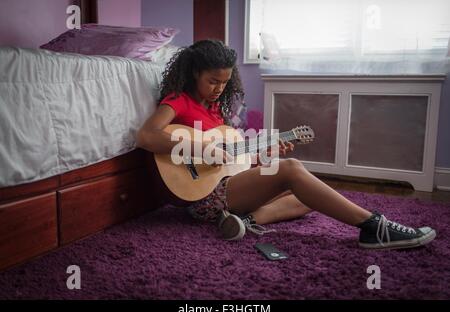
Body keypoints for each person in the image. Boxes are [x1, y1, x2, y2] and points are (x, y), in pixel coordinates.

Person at [136, 39, 436, 250]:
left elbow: (229, 163)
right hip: (200, 197)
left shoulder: (216, 112)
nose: (219, 89)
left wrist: (262, 156)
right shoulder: (180, 101)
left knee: (308, 193)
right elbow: (147, 136)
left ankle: (245, 220)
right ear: (194, 73)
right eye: (213, 81)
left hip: (225, 186)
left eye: (225, 83)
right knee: (293, 169)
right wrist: (203, 149)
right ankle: (375, 227)